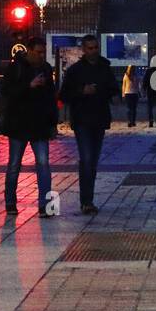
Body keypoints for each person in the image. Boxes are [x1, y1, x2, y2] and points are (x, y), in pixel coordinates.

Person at [59, 34, 117, 215]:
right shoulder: (75, 70)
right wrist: (82, 91)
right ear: (84, 49)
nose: (93, 51)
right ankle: (86, 200)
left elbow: (113, 88)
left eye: (95, 48)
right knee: (87, 158)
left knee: (92, 160)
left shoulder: (104, 67)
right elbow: (64, 94)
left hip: (98, 117)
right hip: (82, 118)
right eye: (90, 48)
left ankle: (88, 198)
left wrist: (101, 90)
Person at [1, 37, 57, 218]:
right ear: (30, 51)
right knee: (14, 164)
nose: (41, 56)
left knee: (43, 163)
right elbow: (7, 91)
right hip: (19, 123)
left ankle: (45, 204)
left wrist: (52, 123)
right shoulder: (16, 67)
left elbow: (51, 97)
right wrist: (29, 86)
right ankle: (10, 202)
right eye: (38, 52)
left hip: (39, 124)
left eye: (43, 52)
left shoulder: (46, 69)